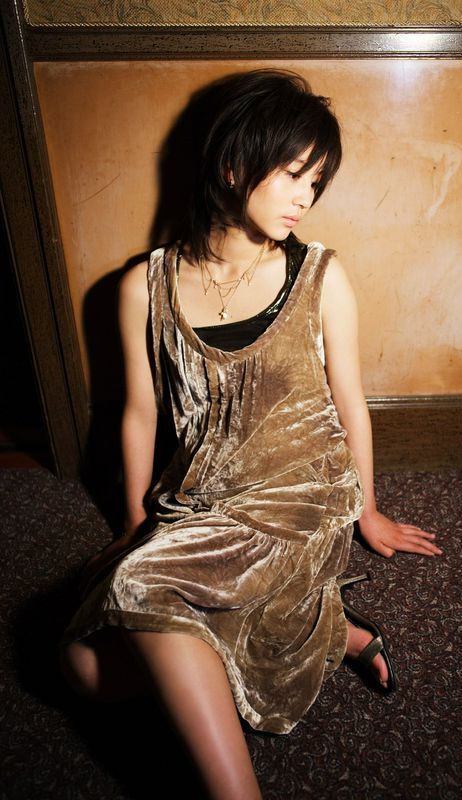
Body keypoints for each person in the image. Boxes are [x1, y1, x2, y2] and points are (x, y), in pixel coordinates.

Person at [60, 69, 441, 800]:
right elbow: (140, 411)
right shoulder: (145, 286)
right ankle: (328, 628)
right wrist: (136, 520)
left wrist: (365, 510)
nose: (306, 197)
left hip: (302, 491)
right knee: (85, 671)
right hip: (204, 496)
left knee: (141, 588)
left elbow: (351, 403)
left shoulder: (321, 276)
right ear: (233, 166)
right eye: (293, 174)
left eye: (316, 182)